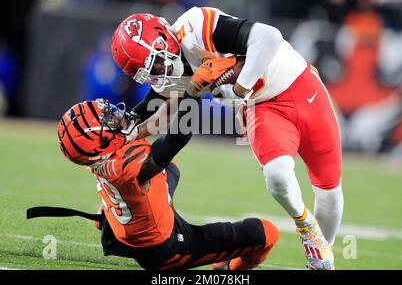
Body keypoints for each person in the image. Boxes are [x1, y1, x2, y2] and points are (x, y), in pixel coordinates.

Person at [111, 6, 343, 270]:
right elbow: (159, 116)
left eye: (156, 64)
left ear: (162, 38)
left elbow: (269, 37)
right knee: (278, 174)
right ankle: (305, 224)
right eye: (148, 73)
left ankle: (322, 257)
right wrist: (124, 136)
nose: (159, 74)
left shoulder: (196, 28)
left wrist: (239, 88)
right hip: (263, 106)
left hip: (300, 85)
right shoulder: (168, 75)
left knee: (330, 189)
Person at [52, 88, 279, 270]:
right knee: (265, 233)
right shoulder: (127, 166)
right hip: (164, 249)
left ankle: (109, 217)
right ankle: (228, 270)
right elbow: (177, 136)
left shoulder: (103, 156)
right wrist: (195, 89)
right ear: (99, 145)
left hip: (135, 223)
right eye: (108, 119)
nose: (116, 115)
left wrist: (174, 76)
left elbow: (149, 108)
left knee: (171, 168)